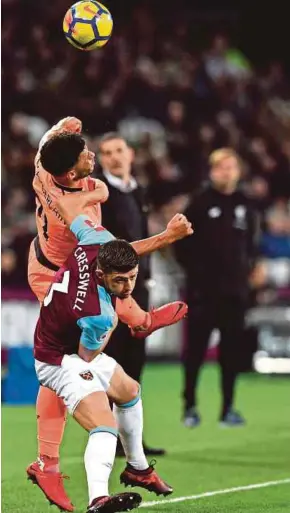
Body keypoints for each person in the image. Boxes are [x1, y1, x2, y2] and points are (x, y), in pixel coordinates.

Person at [26, 119, 192, 511]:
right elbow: (121, 256)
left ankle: (134, 466)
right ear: (69, 172)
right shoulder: (79, 213)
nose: (93, 154)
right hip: (56, 278)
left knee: (128, 386)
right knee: (88, 348)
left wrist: (63, 130)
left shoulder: (45, 167)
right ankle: (49, 462)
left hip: (53, 259)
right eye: (84, 152)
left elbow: (49, 143)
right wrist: (167, 237)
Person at [96, 132, 173, 456]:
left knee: (135, 362)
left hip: (139, 288)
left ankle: (131, 439)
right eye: (107, 152)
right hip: (112, 292)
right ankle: (107, 436)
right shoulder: (100, 194)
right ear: (101, 159)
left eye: (118, 150)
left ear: (130, 154)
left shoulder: (136, 190)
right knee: (111, 363)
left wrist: (149, 279)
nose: (114, 157)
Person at [174, 148, 257, 427]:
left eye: (231, 167)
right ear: (212, 171)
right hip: (203, 293)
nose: (226, 172)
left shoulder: (245, 204)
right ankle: (189, 406)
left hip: (234, 293)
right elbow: (180, 243)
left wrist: (248, 274)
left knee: (231, 352)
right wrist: (196, 275)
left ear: (238, 171)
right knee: (195, 351)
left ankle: (228, 408)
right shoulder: (199, 203)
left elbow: (251, 245)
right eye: (221, 167)